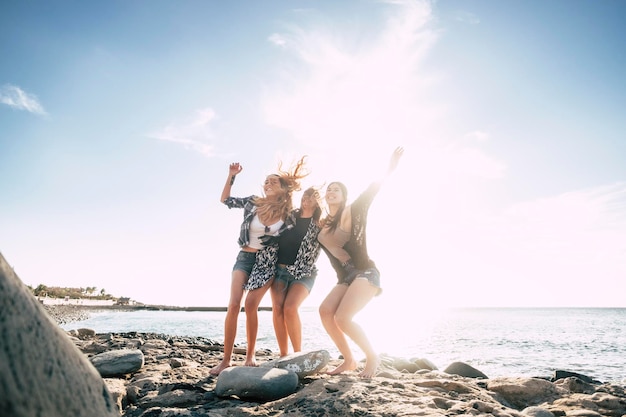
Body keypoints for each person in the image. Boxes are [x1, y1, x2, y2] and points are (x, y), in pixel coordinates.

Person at [210, 157, 307, 376]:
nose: (268, 184)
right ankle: (225, 360)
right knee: (234, 304)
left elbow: (302, 231)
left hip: (267, 262)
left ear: (283, 189)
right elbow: (225, 199)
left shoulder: (289, 215)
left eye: (273, 182)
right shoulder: (252, 202)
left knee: (251, 304)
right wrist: (231, 176)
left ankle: (250, 356)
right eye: (266, 181)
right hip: (244, 257)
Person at [317, 147, 404, 378]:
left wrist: (390, 167)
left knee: (343, 318)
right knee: (326, 311)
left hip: (366, 273)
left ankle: (372, 356)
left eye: (336, 189)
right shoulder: (323, 224)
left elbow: (371, 190)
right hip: (345, 277)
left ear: (344, 196)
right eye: (329, 190)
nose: (331, 191)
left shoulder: (352, 210)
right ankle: (349, 360)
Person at [268, 187, 322, 357]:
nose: (307, 198)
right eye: (306, 195)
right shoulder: (290, 217)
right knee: (277, 309)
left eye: (313, 196)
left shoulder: (320, 224)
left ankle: (298, 353)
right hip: (280, 270)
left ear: (318, 201)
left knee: (290, 308)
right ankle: (284, 354)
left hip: (304, 273)